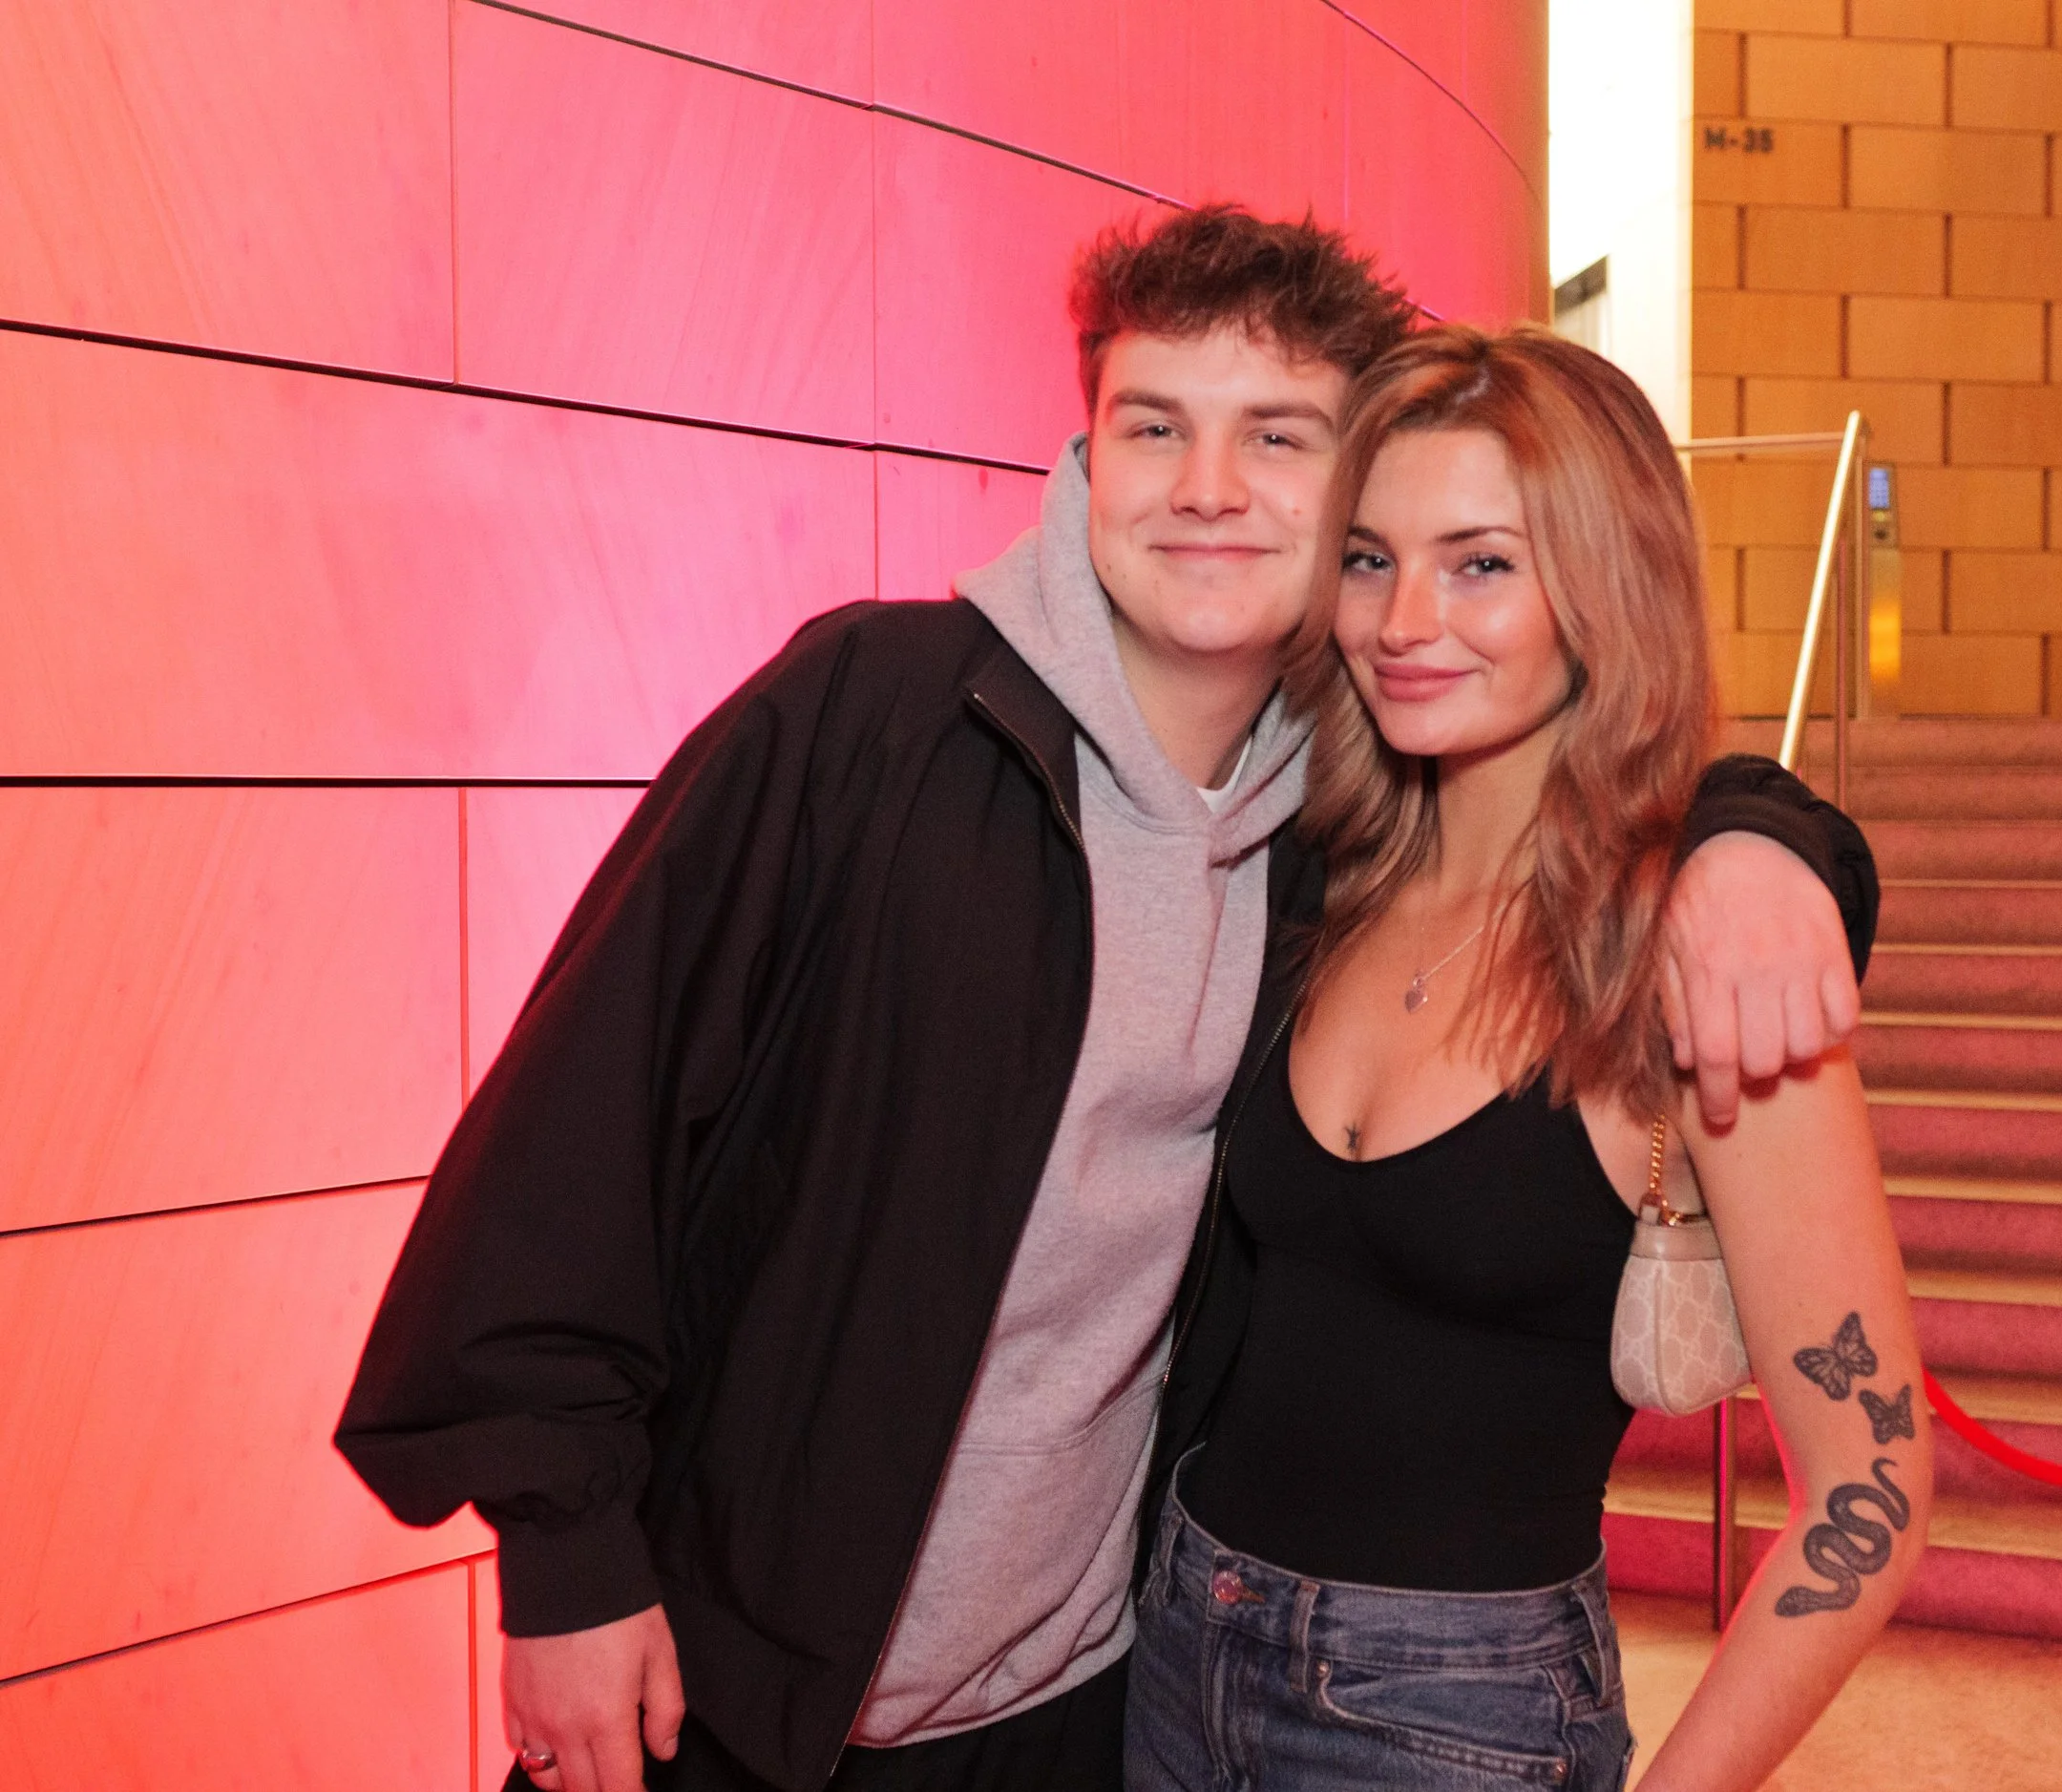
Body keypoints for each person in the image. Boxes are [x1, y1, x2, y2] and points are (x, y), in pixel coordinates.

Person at [334, 209, 1880, 1792]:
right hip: (736, 1690)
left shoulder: (1317, 852)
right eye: (1156, 427)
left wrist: (1762, 836)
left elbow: (1587, 810)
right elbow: (580, 1134)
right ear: (1084, 460)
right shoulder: (873, 718)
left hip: (1094, 1707)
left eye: (1276, 437)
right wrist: (567, 1552)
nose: (1209, 488)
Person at [1127, 326, 1927, 1792]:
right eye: (1368, 559)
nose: (1404, 618)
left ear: (1601, 586)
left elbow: (1869, 1486)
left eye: (1482, 562)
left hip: (1452, 1719)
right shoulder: (1319, 877)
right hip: (1175, 1646)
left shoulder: (1693, 955)